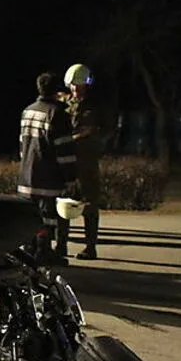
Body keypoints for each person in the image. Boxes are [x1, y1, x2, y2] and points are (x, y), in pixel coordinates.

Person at [17, 72, 79, 266]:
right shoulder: (57, 114)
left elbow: (22, 145)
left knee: (30, 217)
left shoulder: (28, 111)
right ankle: (43, 251)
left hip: (27, 175)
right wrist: (71, 178)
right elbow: (64, 150)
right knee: (48, 218)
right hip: (48, 177)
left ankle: (29, 250)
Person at [64, 63, 109, 260]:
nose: (76, 89)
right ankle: (61, 246)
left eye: (79, 85)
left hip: (87, 162)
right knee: (63, 204)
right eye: (73, 85)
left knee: (89, 204)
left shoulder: (95, 106)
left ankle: (90, 246)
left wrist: (92, 137)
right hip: (67, 161)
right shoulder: (65, 104)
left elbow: (103, 130)